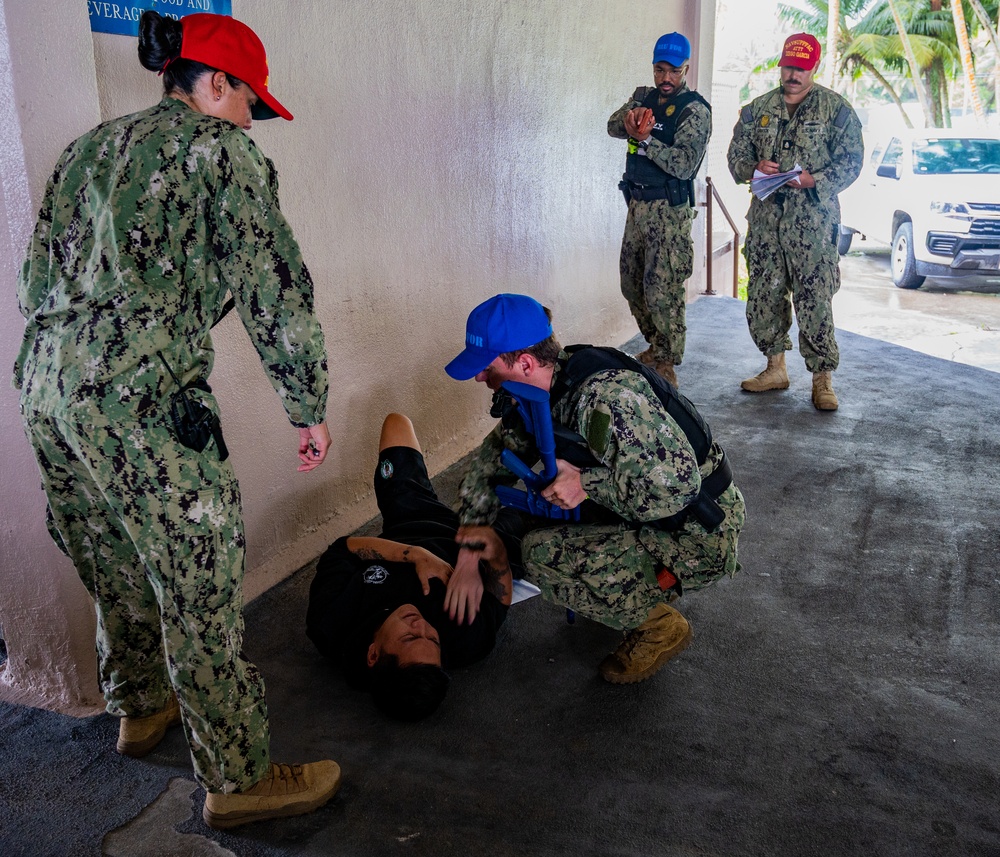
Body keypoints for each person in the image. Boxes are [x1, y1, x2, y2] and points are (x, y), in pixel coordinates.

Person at [14, 11, 340, 830]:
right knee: (198, 579)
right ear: (215, 82)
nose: (250, 120)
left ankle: (140, 705)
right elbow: (272, 285)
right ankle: (237, 777)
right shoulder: (220, 153)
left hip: (50, 387)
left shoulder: (89, 148)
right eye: (247, 102)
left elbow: (33, 280)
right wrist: (305, 402)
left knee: (110, 552)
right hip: (140, 401)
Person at [444, 294, 745, 685]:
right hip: (651, 512)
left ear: (525, 363)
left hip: (698, 533)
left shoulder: (605, 399)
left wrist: (585, 484)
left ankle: (658, 625)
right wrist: (468, 557)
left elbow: (678, 488)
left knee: (542, 553)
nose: (478, 378)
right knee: (545, 523)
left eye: (486, 367)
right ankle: (628, 584)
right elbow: (487, 468)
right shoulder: (546, 392)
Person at [306, 414, 522, 721]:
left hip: (412, 522)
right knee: (552, 511)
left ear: (372, 654)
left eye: (409, 637)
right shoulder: (463, 642)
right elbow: (501, 599)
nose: (421, 625)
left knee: (395, 424)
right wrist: (493, 553)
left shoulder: (330, 622)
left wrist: (416, 555)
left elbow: (343, 550)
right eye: (432, 640)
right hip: (485, 540)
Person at [726, 33, 864, 411]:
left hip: (813, 223)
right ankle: (774, 368)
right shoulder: (757, 109)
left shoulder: (835, 111)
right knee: (765, 294)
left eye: (801, 68)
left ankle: (822, 380)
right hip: (767, 220)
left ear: (813, 68)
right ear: (781, 64)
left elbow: (851, 161)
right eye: (788, 66)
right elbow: (736, 155)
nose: (793, 75)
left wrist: (816, 180)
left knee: (815, 297)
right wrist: (752, 167)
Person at [607, 32, 712, 388]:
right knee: (631, 282)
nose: (666, 79)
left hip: (669, 211)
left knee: (662, 288)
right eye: (659, 70)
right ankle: (656, 345)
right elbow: (611, 126)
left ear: (686, 68)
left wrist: (646, 139)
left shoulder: (694, 110)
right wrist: (630, 122)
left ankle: (666, 363)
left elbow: (683, 164)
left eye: (674, 71)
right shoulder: (642, 97)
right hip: (637, 206)